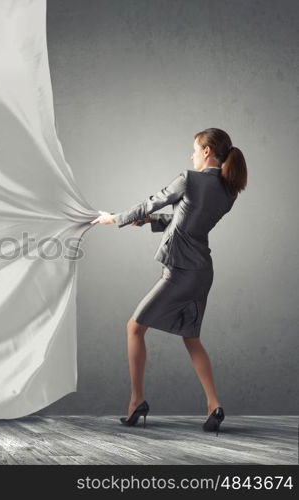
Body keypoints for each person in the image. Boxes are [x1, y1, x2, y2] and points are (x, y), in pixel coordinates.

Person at [90, 128, 247, 435]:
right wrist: (149, 222)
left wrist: (114, 218)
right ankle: (214, 405)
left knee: (134, 327)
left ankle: (136, 401)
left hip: (179, 270)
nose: (191, 155)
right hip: (203, 272)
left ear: (206, 152)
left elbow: (152, 202)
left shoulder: (189, 178)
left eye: (194, 149)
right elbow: (187, 223)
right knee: (191, 337)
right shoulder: (229, 192)